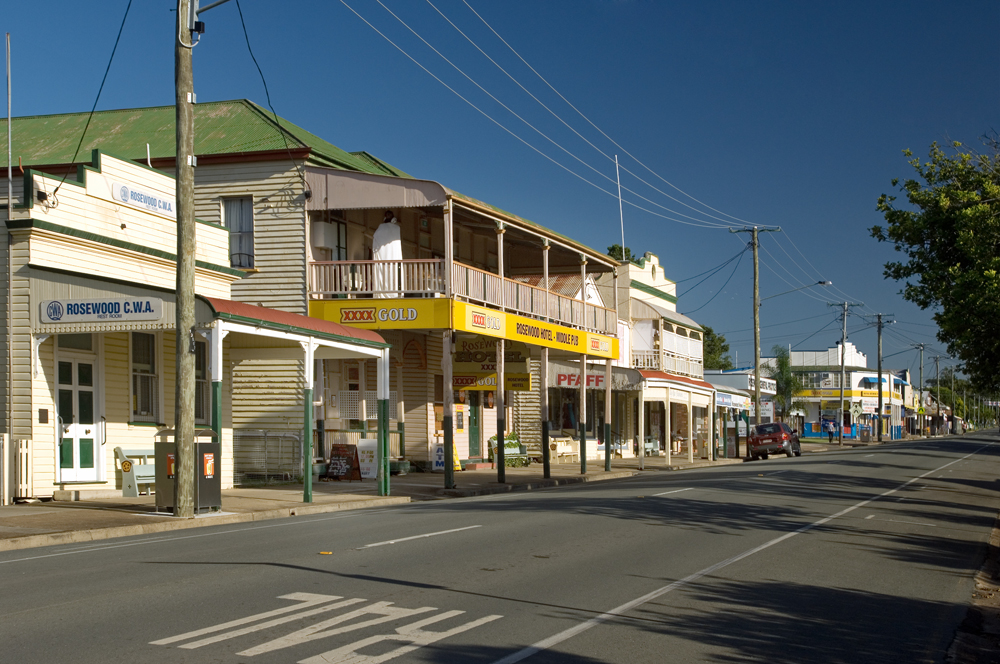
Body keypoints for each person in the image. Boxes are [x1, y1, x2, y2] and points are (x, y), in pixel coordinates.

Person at [372, 210, 402, 297]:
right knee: (393, 274)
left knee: (384, 273)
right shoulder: (396, 228)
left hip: (383, 257)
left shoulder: (381, 228)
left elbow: (375, 239)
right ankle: (395, 293)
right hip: (394, 257)